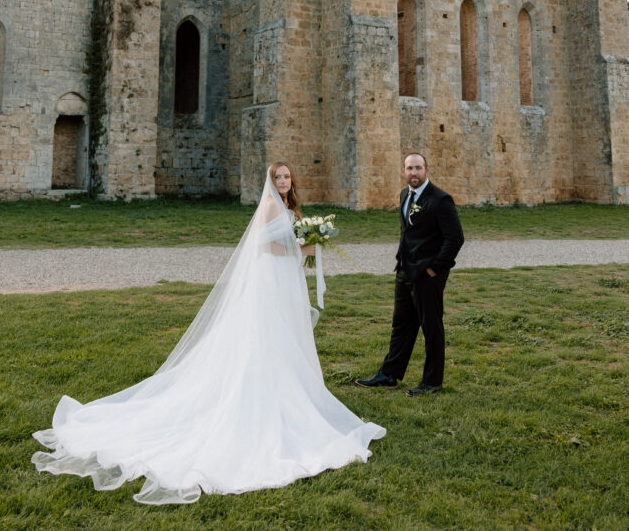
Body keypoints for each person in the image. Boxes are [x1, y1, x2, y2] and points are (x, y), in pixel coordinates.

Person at [32, 161, 384, 504]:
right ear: (271, 180)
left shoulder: (289, 208)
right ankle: (262, 396)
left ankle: (286, 390)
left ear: (292, 181)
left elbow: (286, 243)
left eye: (287, 177)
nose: (283, 181)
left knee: (284, 338)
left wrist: (305, 245)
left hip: (284, 279)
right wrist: (302, 248)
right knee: (267, 337)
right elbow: (263, 245)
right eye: (278, 177)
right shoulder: (268, 206)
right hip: (271, 281)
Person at [355, 153, 464, 396]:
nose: (414, 172)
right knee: (401, 324)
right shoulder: (405, 194)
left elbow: (455, 238)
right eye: (410, 168)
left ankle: (432, 382)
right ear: (403, 171)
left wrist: (435, 268)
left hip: (427, 274)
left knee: (431, 327)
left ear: (426, 170)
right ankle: (389, 375)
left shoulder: (441, 199)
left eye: (418, 168)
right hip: (404, 269)